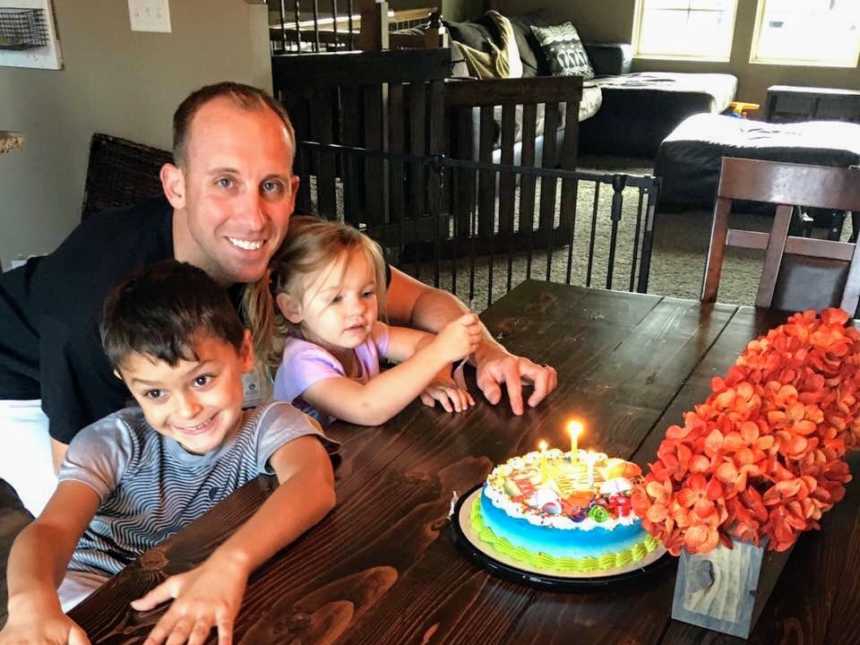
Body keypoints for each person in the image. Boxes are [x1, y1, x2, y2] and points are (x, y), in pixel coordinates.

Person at [0, 80, 557, 516]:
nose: (253, 216)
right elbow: (77, 493)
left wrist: (488, 353)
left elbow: (421, 300)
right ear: (175, 187)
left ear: (291, 191)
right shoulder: (92, 310)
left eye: (270, 185)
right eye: (224, 182)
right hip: (20, 374)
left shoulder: (279, 238)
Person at [0, 261, 336, 645]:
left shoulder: (268, 425)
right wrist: (30, 603)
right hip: (96, 587)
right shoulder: (110, 443)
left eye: (202, 379)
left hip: (206, 581)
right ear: (126, 382)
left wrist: (229, 565)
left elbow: (313, 482)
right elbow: (50, 529)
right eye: (155, 393)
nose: (186, 409)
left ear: (244, 353)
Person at [245, 216, 482, 425]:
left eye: (367, 293)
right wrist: (439, 354)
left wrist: (435, 378)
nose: (358, 308)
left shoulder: (364, 334)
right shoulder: (301, 362)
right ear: (293, 308)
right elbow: (366, 407)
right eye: (336, 299)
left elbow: (425, 343)